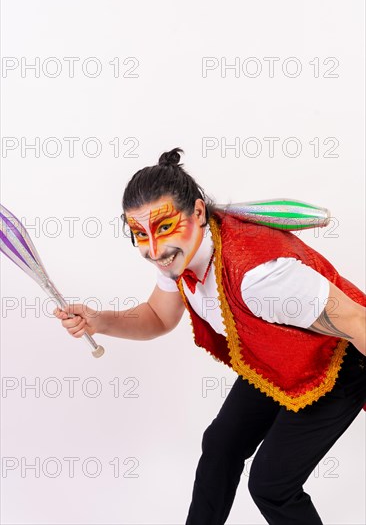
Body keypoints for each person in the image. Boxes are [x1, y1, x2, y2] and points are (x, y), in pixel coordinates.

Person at [53, 147, 366, 525]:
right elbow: (157, 315)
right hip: (275, 357)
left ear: (198, 212)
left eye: (165, 227)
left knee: (271, 484)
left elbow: (357, 321)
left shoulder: (261, 275)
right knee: (220, 446)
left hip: (340, 365)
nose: (153, 250)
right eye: (139, 234)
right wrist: (98, 321)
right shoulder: (178, 256)